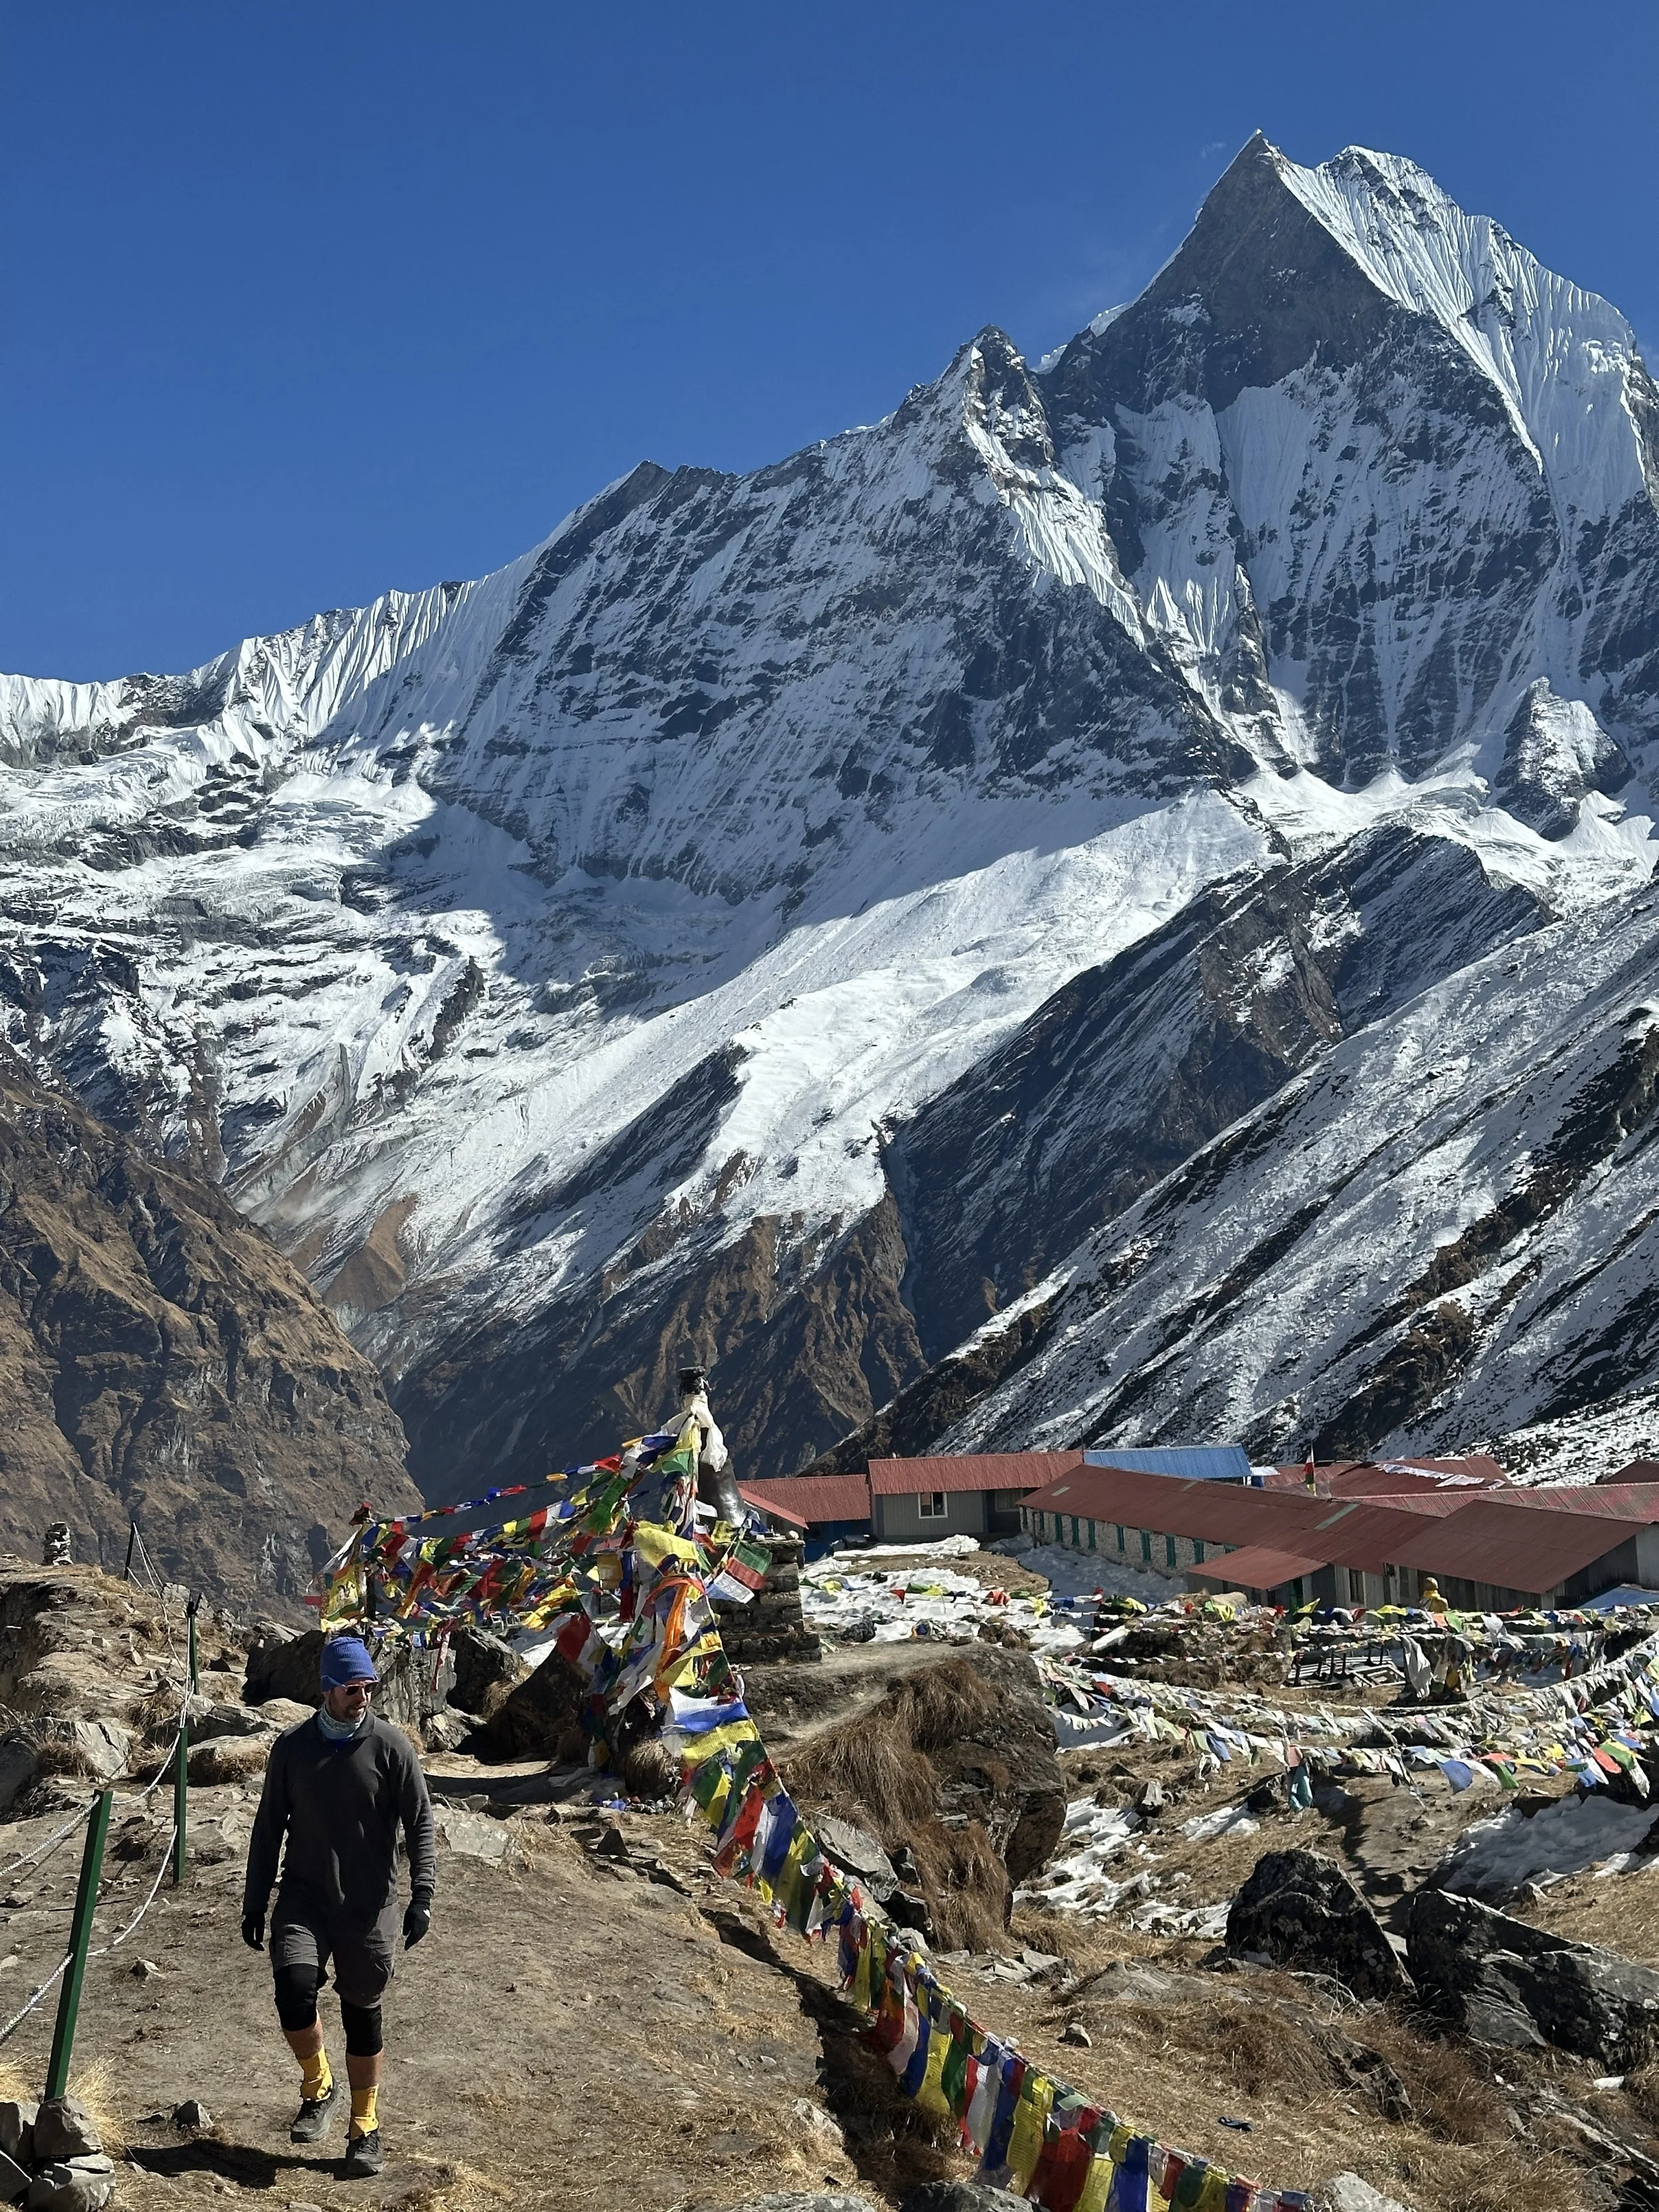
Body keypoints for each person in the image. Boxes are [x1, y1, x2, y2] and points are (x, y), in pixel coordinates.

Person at [242, 1635, 436, 2179]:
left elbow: (420, 1822)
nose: (363, 1697)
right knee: (294, 1989)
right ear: (328, 1689)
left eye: (369, 1687)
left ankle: (365, 2127)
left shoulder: (392, 1747)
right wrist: (256, 1900)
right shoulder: (292, 1748)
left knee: (361, 2014)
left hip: (369, 1907)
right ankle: (317, 2086)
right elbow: (267, 1827)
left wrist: (423, 1895)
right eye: (354, 1688)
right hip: (304, 1897)